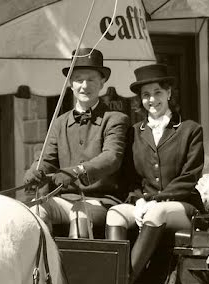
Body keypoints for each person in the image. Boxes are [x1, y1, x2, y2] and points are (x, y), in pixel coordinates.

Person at [105, 63, 204, 284]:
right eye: (146, 95)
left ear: (169, 93)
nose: (152, 99)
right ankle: (115, 280)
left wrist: (156, 200)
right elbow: (128, 178)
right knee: (114, 213)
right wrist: (137, 200)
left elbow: (189, 176)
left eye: (158, 92)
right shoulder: (133, 133)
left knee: (156, 213)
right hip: (144, 204)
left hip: (183, 206)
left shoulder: (190, 129)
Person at [23, 48, 129, 238]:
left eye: (91, 79)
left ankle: (75, 268)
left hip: (101, 201)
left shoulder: (115, 119)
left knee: (80, 213)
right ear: (71, 84)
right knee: (33, 212)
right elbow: (47, 160)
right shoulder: (59, 122)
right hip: (64, 200)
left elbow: (111, 157)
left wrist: (77, 171)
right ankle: (42, 266)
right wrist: (35, 171)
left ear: (102, 83)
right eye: (79, 79)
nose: (84, 85)